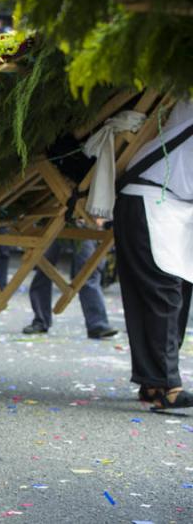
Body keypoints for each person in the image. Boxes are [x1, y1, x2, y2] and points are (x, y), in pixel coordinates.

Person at [112, 100, 193, 410]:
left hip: (169, 205)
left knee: (175, 292)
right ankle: (167, 386)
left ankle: (153, 384)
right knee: (165, 294)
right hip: (150, 198)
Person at [21, 238, 118, 339]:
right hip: (53, 225)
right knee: (44, 266)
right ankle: (40, 321)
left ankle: (98, 324)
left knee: (88, 270)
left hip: (82, 226)